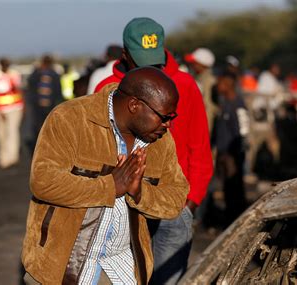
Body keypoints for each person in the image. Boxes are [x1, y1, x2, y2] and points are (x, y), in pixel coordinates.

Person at [21, 66, 189, 284]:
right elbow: (43, 181)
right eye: (164, 117)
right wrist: (110, 186)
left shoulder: (161, 141)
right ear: (134, 105)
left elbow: (176, 198)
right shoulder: (71, 118)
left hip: (121, 271)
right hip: (58, 270)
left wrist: (139, 193)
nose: (168, 124)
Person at [95, 17, 213, 284]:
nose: (152, 69)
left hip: (173, 208)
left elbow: (200, 149)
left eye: (155, 59)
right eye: (141, 61)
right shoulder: (107, 91)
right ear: (125, 55)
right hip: (123, 210)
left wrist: (190, 202)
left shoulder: (185, 85)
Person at [212, 70, 249, 226]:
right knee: (227, 187)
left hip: (232, 155)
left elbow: (243, 130)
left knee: (235, 188)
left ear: (227, 85)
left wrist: (236, 154)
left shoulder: (237, 104)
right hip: (224, 153)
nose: (218, 86)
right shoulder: (225, 102)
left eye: (220, 83)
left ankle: (236, 220)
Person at [0, 57, 24, 169]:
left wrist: (23, 107)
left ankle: (12, 157)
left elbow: (19, 90)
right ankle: (3, 158)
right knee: (1, 133)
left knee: (12, 131)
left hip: (14, 108)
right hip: (0, 109)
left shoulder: (14, 74)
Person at [27, 54, 63, 151]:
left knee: (38, 128)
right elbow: (58, 92)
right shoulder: (54, 74)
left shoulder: (37, 74)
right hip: (49, 106)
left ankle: (40, 147)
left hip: (39, 106)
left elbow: (30, 87)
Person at [184, 47, 218, 134]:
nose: (192, 65)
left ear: (203, 64)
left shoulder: (209, 81)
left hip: (204, 127)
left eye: (194, 63)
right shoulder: (198, 77)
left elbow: (208, 107)